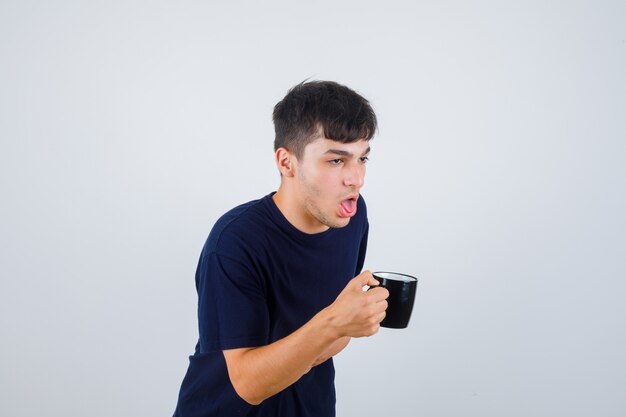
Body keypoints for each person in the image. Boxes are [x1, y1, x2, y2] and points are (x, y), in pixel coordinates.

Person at [173, 80, 389, 417]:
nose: (356, 178)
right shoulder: (234, 242)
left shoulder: (352, 217)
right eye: (336, 161)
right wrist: (335, 324)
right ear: (286, 163)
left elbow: (337, 326)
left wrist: (346, 322)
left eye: (362, 158)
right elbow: (248, 383)